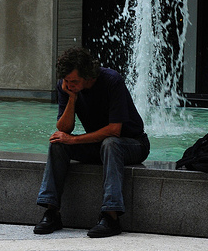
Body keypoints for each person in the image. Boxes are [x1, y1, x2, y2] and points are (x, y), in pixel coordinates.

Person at [34, 47, 150, 238]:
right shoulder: (67, 86)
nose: (70, 85)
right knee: (58, 142)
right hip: (101, 146)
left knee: (111, 143)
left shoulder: (112, 80)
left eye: (74, 82)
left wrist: (74, 140)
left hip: (132, 144)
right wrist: (71, 98)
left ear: (88, 75)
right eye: (67, 81)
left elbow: (115, 130)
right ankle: (52, 211)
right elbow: (65, 129)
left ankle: (111, 217)